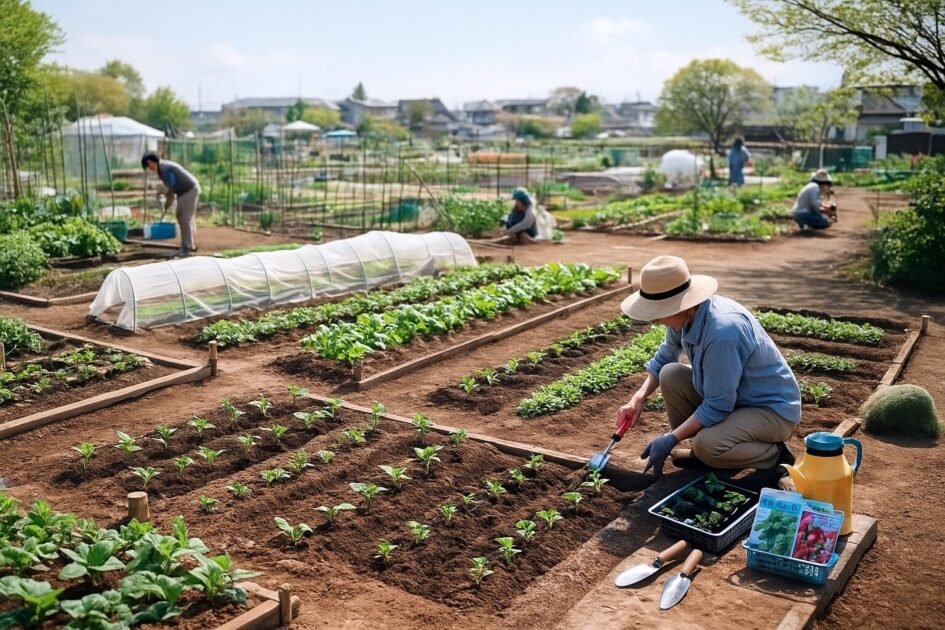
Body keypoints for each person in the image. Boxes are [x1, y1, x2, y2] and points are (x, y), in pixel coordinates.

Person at [616, 255, 801, 479]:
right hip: (735, 399)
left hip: (770, 410)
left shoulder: (722, 332)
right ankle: (713, 453)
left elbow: (718, 404)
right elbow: (666, 356)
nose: (655, 319)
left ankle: (774, 455)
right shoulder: (685, 314)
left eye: (657, 311)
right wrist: (638, 398)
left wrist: (672, 438)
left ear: (679, 303)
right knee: (670, 374)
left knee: (708, 445)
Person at [141, 152, 201, 256]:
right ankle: (190, 245)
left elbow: (172, 188)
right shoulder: (162, 168)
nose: (149, 168)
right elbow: (172, 188)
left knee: (184, 218)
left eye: (147, 165)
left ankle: (187, 248)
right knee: (185, 217)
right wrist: (168, 197)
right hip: (185, 190)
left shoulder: (164, 168)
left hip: (189, 189)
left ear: (150, 162)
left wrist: (167, 203)